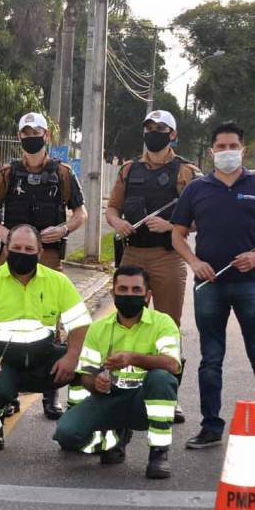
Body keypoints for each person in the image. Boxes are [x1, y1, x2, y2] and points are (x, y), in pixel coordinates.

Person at [171, 122, 255, 454]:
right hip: (209, 285)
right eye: (221, 147)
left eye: (233, 146)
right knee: (210, 359)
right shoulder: (196, 189)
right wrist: (194, 262)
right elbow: (177, 235)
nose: (228, 152)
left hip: (251, 285)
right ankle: (210, 427)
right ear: (212, 151)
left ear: (243, 149)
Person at [0, 112, 87, 420]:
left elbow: (81, 213)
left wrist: (64, 229)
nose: (30, 137)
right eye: (25, 132)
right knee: (2, 320)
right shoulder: (9, 173)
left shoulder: (62, 173)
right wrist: (3, 234)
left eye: (35, 131)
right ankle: (6, 391)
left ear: (46, 136)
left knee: (52, 325)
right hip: (11, 256)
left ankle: (50, 395)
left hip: (49, 257)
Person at [0, 224, 91, 450]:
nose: (23, 253)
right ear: (7, 250)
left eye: (29, 249)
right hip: (1, 363)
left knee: (89, 365)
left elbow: (80, 323)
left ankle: (75, 419)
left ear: (40, 253)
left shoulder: (57, 281)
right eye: (17, 247)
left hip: (43, 359)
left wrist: (71, 356)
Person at [105, 110, 202, 423]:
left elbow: (201, 216)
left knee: (168, 328)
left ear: (172, 135)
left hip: (167, 258)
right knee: (127, 322)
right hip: (132, 256)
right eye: (149, 128)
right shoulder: (129, 169)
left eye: (161, 129)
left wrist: (173, 224)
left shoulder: (187, 171)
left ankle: (168, 394)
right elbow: (112, 208)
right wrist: (118, 223)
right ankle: (127, 386)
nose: (154, 133)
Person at [54, 266, 181, 479]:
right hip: (110, 398)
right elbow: (86, 374)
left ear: (147, 295)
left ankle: (159, 452)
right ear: (113, 293)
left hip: (144, 401)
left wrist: (133, 358)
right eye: (122, 289)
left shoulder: (162, 323)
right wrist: (95, 383)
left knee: (161, 378)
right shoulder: (98, 328)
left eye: (135, 290)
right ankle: (114, 439)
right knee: (66, 435)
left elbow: (172, 365)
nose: (129, 295)